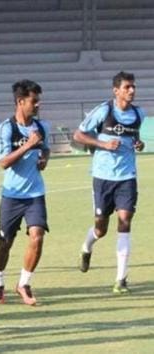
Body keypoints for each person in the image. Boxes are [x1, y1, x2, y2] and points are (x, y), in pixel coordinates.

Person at [74, 71, 145, 293]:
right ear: (116, 91)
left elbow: (134, 137)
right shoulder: (104, 111)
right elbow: (78, 135)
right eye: (127, 87)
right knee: (101, 228)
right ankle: (86, 247)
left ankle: (121, 279)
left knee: (125, 221)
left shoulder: (138, 113)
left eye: (133, 87)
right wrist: (103, 145)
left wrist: (138, 144)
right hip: (103, 177)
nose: (131, 90)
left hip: (127, 177)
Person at [0, 79, 50, 306]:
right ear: (20, 101)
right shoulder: (6, 128)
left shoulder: (41, 127)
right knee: (5, 241)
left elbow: (44, 148)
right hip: (12, 194)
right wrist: (27, 145)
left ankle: (24, 283)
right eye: (34, 101)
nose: (38, 105)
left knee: (37, 236)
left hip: (35, 193)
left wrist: (44, 157)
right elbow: (4, 162)